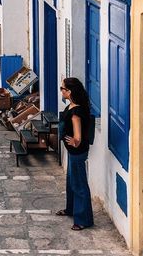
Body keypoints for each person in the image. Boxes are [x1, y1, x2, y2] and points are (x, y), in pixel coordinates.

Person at [56, 77, 94, 231]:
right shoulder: (72, 105)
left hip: (77, 153)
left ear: (69, 92)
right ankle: (71, 209)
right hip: (73, 153)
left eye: (62, 88)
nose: (61, 91)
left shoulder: (76, 111)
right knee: (71, 182)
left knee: (79, 185)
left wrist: (74, 141)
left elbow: (77, 137)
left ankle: (83, 219)